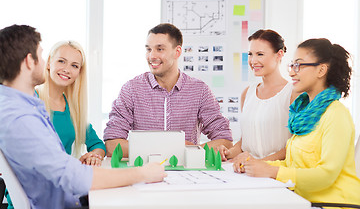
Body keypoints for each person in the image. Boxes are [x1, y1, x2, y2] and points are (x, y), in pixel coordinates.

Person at [0, 24, 166, 209]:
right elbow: (71, 177)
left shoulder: (23, 106)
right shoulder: (20, 117)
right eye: (40, 55)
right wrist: (142, 173)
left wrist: (76, 162)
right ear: (30, 61)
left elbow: (57, 165)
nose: (43, 61)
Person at [243, 38, 360, 205]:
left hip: (332, 204)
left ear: (321, 70)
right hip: (302, 200)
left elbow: (326, 175)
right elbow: (293, 164)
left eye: (299, 65)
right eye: (292, 65)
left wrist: (271, 171)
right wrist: (253, 165)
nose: (291, 72)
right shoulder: (304, 114)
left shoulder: (336, 114)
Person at [104, 23, 233, 157]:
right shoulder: (131, 89)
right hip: (145, 173)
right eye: (148, 49)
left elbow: (225, 141)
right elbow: (112, 146)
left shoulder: (200, 91)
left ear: (177, 52)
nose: (151, 56)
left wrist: (192, 151)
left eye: (160, 49)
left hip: (188, 175)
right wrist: (173, 149)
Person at [218, 29, 297, 167]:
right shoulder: (247, 93)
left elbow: (296, 146)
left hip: (277, 173)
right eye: (250, 54)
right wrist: (228, 153)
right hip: (249, 172)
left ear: (279, 54)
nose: (253, 61)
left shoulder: (293, 93)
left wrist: (259, 163)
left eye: (260, 54)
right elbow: (246, 141)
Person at [37, 41, 105, 166]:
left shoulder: (73, 109)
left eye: (74, 66)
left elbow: (98, 144)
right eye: (61, 61)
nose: (66, 69)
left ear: (79, 72)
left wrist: (95, 156)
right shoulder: (30, 99)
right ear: (48, 63)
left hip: (60, 180)